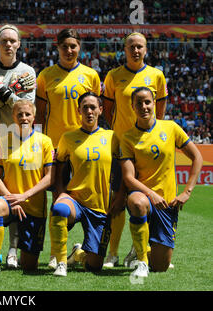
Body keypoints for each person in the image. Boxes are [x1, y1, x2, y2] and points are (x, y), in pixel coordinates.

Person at [119, 87, 202, 277]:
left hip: (167, 203)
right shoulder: (128, 137)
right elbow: (129, 178)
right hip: (144, 198)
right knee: (137, 203)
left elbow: (196, 157)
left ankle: (141, 251)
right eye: (138, 103)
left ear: (154, 103)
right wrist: (151, 194)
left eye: (147, 102)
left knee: (161, 266)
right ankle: (141, 260)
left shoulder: (170, 128)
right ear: (132, 106)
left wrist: (187, 192)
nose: (143, 106)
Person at [35, 28, 101, 269]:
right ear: (58, 47)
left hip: (83, 147)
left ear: (79, 47)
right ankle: (56, 253)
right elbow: (40, 115)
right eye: (65, 46)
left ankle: (87, 247)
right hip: (54, 147)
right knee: (57, 200)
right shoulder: (46, 76)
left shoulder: (91, 75)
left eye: (73, 46)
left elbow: (95, 109)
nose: (69, 50)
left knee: (87, 195)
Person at [102, 32, 168, 268]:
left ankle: (141, 250)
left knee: (147, 199)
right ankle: (113, 253)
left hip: (149, 150)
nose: (136, 50)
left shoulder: (157, 76)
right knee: (118, 200)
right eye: (131, 47)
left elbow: (159, 112)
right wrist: (122, 133)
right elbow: (108, 111)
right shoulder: (113, 76)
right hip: (120, 149)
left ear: (146, 50)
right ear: (124, 49)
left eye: (140, 46)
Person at [0, 24, 36, 269]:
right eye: (4, 41)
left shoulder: (28, 71)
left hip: (18, 142)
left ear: (19, 44)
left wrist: (0, 90)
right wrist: (10, 93)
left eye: (13, 41)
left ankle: (13, 250)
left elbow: (24, 110)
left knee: (14, 196)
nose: (9, 45)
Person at [50, 92, 123, 276]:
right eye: (85, 107)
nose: (89, 111)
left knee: (94, 266)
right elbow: (58, 168)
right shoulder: (68, 138)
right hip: (75, 200)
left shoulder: (112, 137)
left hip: (100, 208)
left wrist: (120, 195)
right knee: (59, 209)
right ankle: (60, 263)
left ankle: (79, 254)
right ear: (79, 111)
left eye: (93, 107)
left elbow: (124, 168)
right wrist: (59, 193)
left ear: (100, 110)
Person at [0, 99, 55, 276]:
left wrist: (25, 196)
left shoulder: (45, 142)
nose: (23, 118)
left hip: (33, 206)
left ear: (34, 116)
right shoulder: (2, 141)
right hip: (9, 201)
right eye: (19, 114)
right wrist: (12, 198)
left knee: (29, 266)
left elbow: (49, 177)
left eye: (27, 114)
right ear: (13, 117)